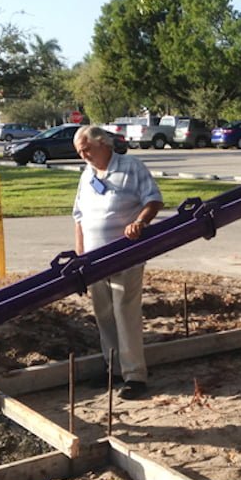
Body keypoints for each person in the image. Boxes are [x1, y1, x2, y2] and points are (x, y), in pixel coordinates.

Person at [72, 126, 164, 400]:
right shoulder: (87, 175)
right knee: (104, 314)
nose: (83, 156)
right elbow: (78, 214)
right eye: (79, 152)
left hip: (125, 255)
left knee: (125, 313)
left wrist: (139, 223)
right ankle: (112, 368)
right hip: (94, 259)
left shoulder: (130, 166)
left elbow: (154, 199)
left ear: (104, 144)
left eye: (86, 149)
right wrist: (80, 254)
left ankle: (135, 375)